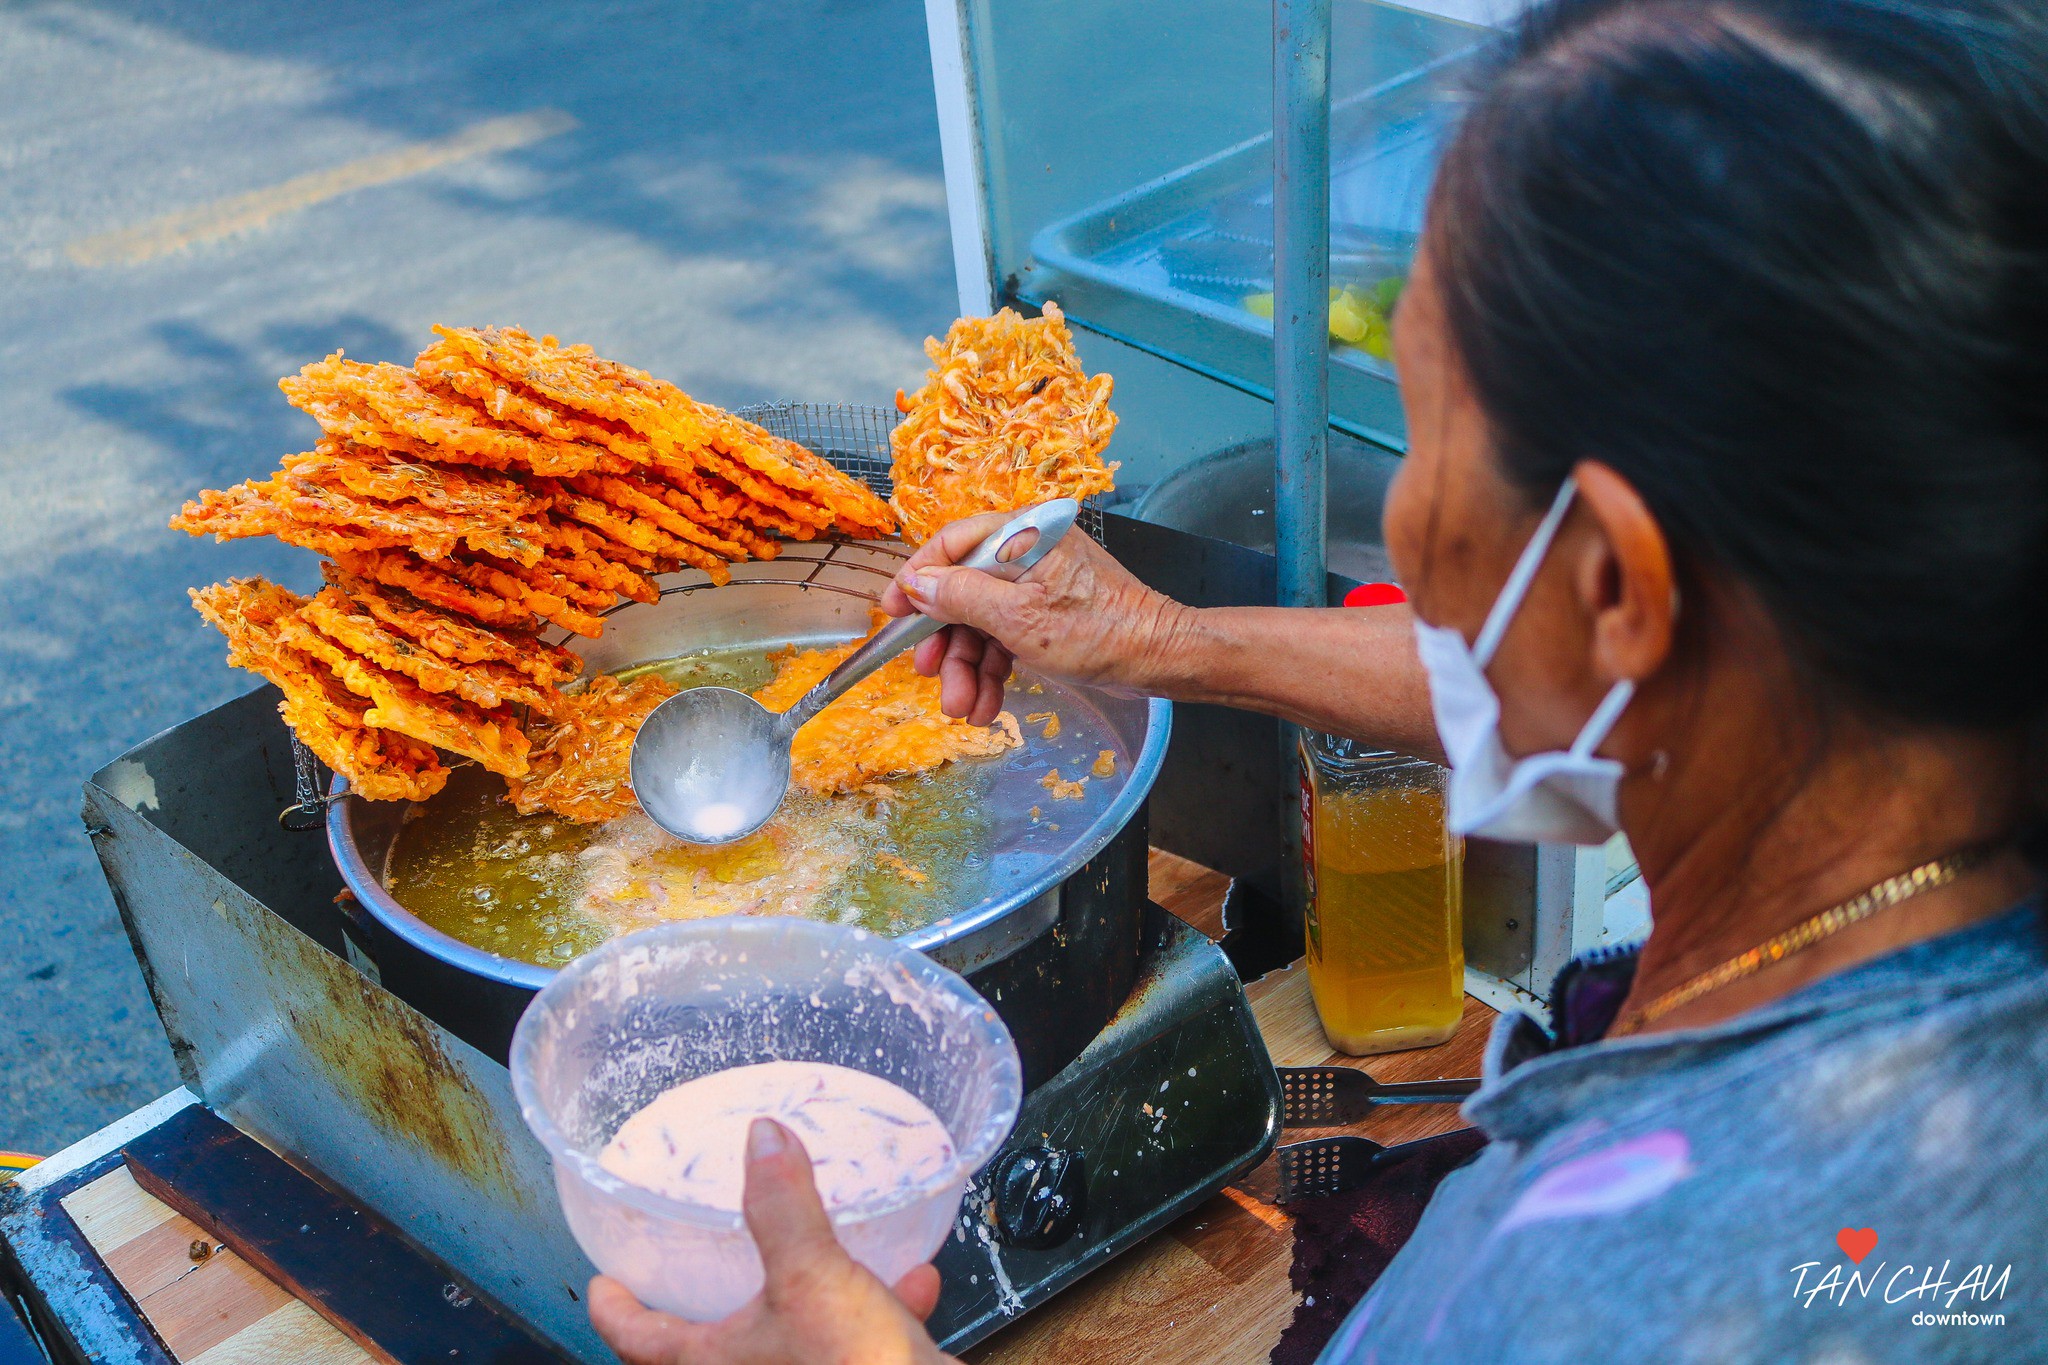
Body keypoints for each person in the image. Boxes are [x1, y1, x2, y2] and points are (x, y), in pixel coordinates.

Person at [589, 0, 2048, 1359]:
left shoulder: (1605, 1291)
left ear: (1614, 584)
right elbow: (1552, 677)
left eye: (1422, 432)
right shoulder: (1937, 786)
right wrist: (1156, 637)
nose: (1401, 516)